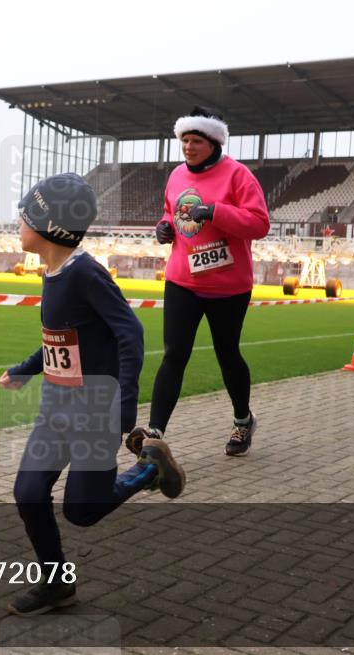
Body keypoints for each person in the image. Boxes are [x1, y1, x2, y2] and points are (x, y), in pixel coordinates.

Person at [0, 173, 186, 616]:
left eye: (25, 216)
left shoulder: (86, 274)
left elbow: (131, 334)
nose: (18, 224)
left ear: (49, 226)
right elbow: (61, 339)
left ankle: (147, 469)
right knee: (28, 493)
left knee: (82, 511)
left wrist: (123, 404)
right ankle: (57, 585)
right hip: (56, 409)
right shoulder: (54, 271)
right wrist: (27, 370)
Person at [127, 107, 270, 459]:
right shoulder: (176, 175)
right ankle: (155, 433)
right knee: (174, 355)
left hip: (228, 285)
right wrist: (162, 227)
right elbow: (169, 211)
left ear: (213, 142)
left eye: (196, 141)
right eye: (184, 140)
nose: (188, 147)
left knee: (227, 354)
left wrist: (216, 211)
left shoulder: (238, 175)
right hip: (182, 280)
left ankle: (242, 420)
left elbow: (259, 223)